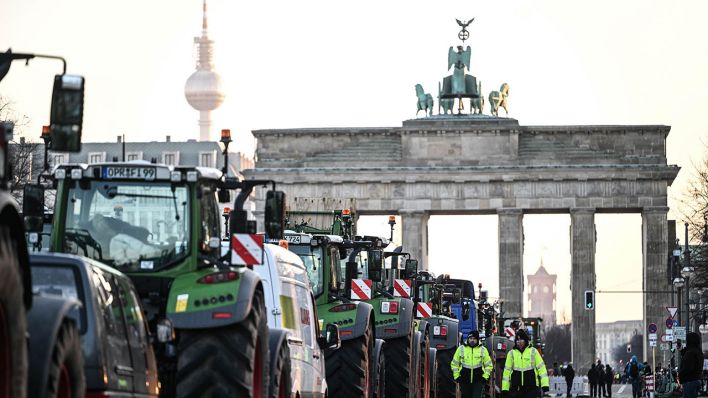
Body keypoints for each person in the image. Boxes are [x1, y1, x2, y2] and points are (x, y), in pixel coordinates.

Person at [501, 328, 549, 398]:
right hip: (516, 390)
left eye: (521, 340)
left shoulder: (533, 351)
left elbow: (542, 369)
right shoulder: (511, 354)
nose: (519, 342)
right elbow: (506, 373)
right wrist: (505, 389)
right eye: (517, 340)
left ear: (525, 340)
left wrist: (545, 385)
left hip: (532, 389)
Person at [451, 330, 493, 398]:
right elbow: (454, 364)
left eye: (474, 339)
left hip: (478, 381)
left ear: (477, 339)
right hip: (464, 381)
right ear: (468, 338)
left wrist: (485, 377)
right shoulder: (461, 349)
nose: (472, 340)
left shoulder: (483, 350)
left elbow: (489, 365)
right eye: (470, 338)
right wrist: (457, 377)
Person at [678, 332, 703, 398]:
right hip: (696, 379)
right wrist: (682, 351)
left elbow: (688, 367)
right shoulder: (698, 351)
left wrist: (680, 374)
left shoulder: (690, 353)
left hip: (689, 381)